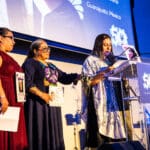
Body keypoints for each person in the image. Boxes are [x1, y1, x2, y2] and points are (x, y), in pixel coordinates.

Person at [22, 39, 80, 150]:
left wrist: (77, 76)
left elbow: (63, 77)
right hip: (38, 105)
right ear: (35, 51)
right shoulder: (30, 63)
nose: (48, 51)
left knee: (54, 132)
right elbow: (27, 82)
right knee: (40, 131)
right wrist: (42, 94)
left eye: (48, 48)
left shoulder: (51, 65)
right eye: (44, 49)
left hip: (52, 103)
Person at [81, 33, 127, 149]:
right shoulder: (90, 60)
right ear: (98, 45)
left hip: (111, 106)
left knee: (114, 140)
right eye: (105, 44)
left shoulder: (110, 62)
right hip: (97, 104)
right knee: (100, 142)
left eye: (110, 45)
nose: (108, 48)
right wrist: (104, 72)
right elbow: (87, 82)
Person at [0, 27, 28, 149]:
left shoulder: (9, 57)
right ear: (0, 38)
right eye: (11, 38)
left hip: (15, 101)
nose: (14, 41)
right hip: (6, 99)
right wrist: (2, 97)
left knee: (16, 136)